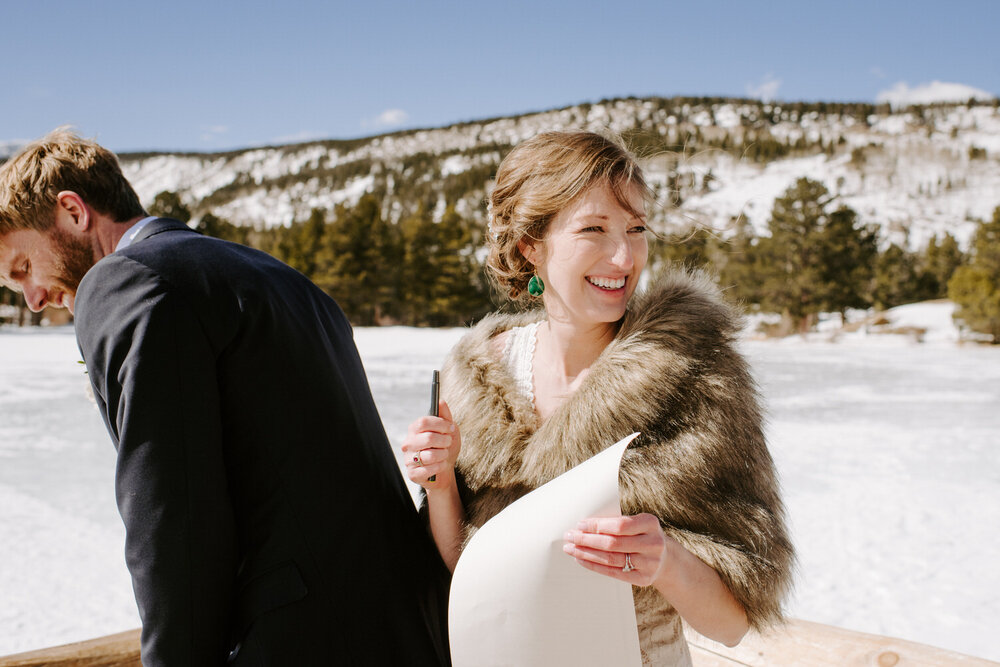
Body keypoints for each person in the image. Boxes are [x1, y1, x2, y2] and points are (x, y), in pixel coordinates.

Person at [0, 129, 451, 667]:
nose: (32, 297)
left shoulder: (126, 281)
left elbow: (172, 511)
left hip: (292, 642)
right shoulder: (280, 278)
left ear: (73, 212)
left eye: (23, 268)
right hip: (403, 627)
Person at [402, 131, 794, 665]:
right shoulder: (477, 377)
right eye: (594, 229)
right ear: (530, 246)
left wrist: (667, 562)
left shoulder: (696, 374)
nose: (624, 255)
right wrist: (442, 484)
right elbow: (467, 576)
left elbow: (733, 623)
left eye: (636, 229)